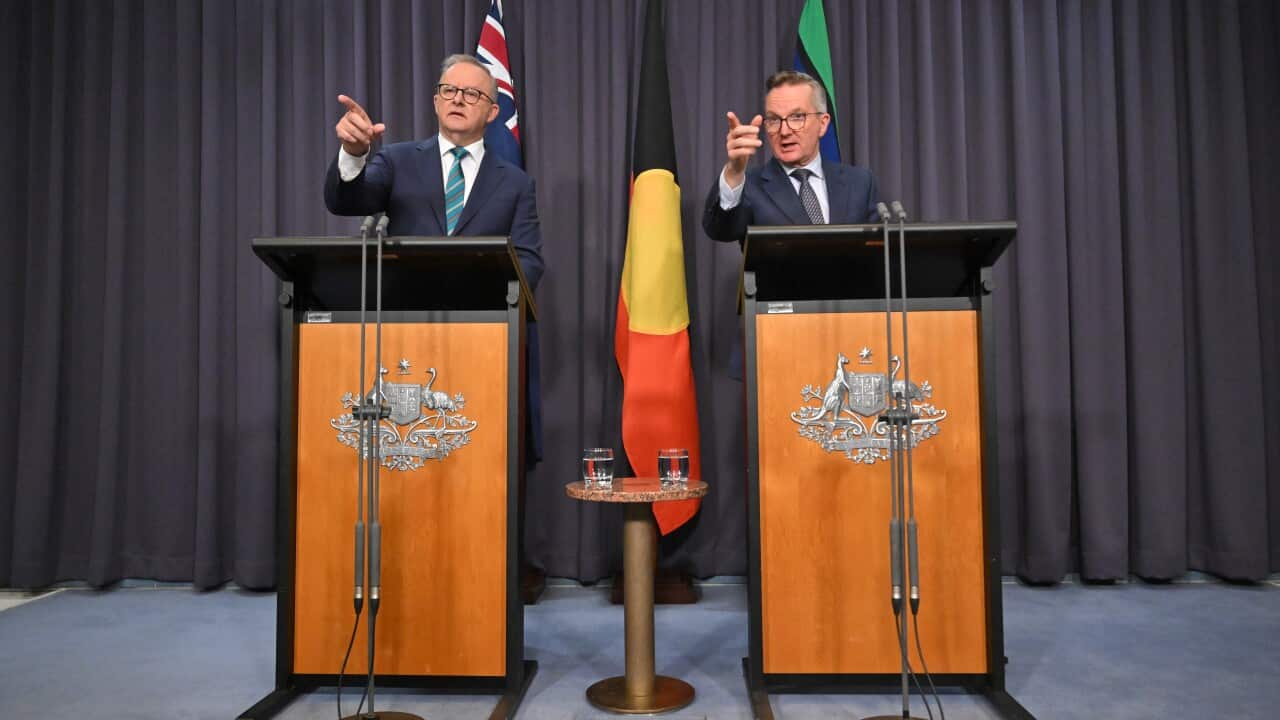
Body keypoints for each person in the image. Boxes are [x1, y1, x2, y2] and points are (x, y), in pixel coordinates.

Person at [324, 53, 546, 462]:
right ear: (436, 100)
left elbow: (529, 262)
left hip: (483, 347)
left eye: (472, 93)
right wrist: (354, 154)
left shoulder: (515, 183)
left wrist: (478, 306)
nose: (458, 99)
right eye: (449, 90)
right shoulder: (397, 160)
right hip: (400, 342)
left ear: (493, 111)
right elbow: (348, 200)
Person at [702, 70, 879, 246]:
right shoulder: (749, 186)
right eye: (774, 120)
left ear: (823, 124)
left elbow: (879, 252)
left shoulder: (860, 183)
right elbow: (720, 230)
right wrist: (734, 172)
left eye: (797, 117)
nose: (784, 131)